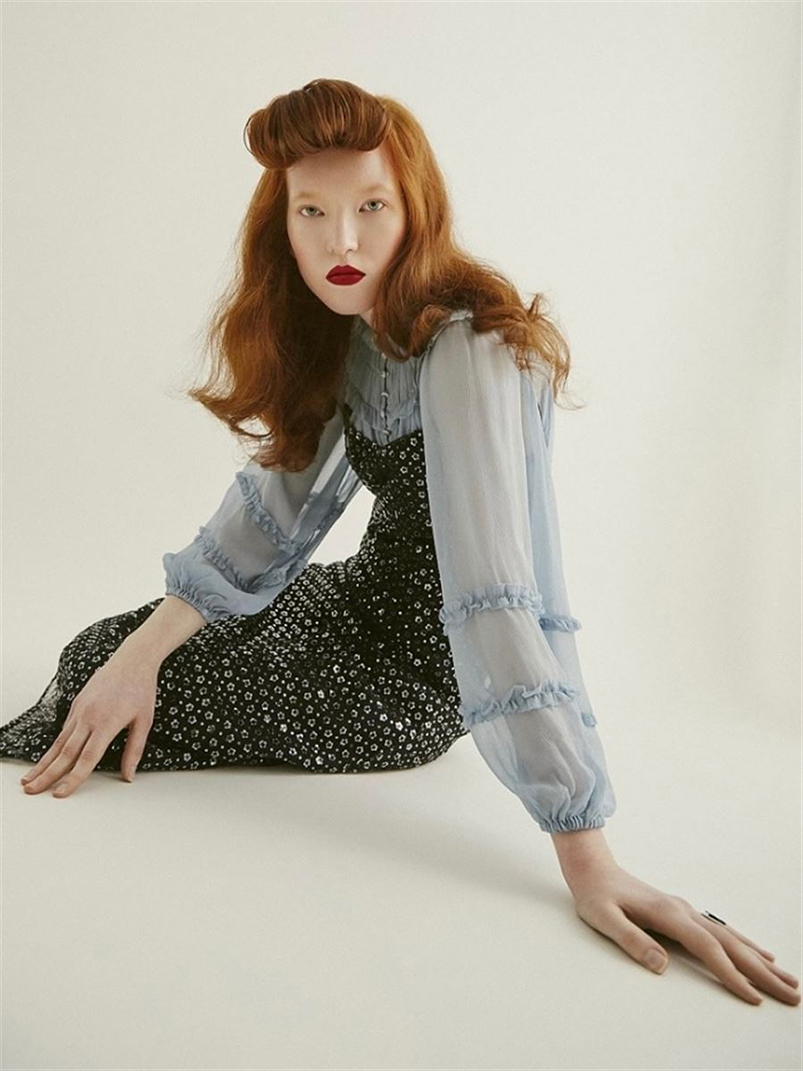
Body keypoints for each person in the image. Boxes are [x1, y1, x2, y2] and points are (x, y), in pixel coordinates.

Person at [1, 78, 798, 1009]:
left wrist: (587, 854)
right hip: (353, 602)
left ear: (414, 208)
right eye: (313, 211)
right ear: (281, 224)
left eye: (371, 207)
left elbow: (497, 597)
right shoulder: (351, 330)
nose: (341, 241)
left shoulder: (468, 349)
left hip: (417, 678)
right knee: (102, 655)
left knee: (110, 707)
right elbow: (270, 515)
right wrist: (141, 655)